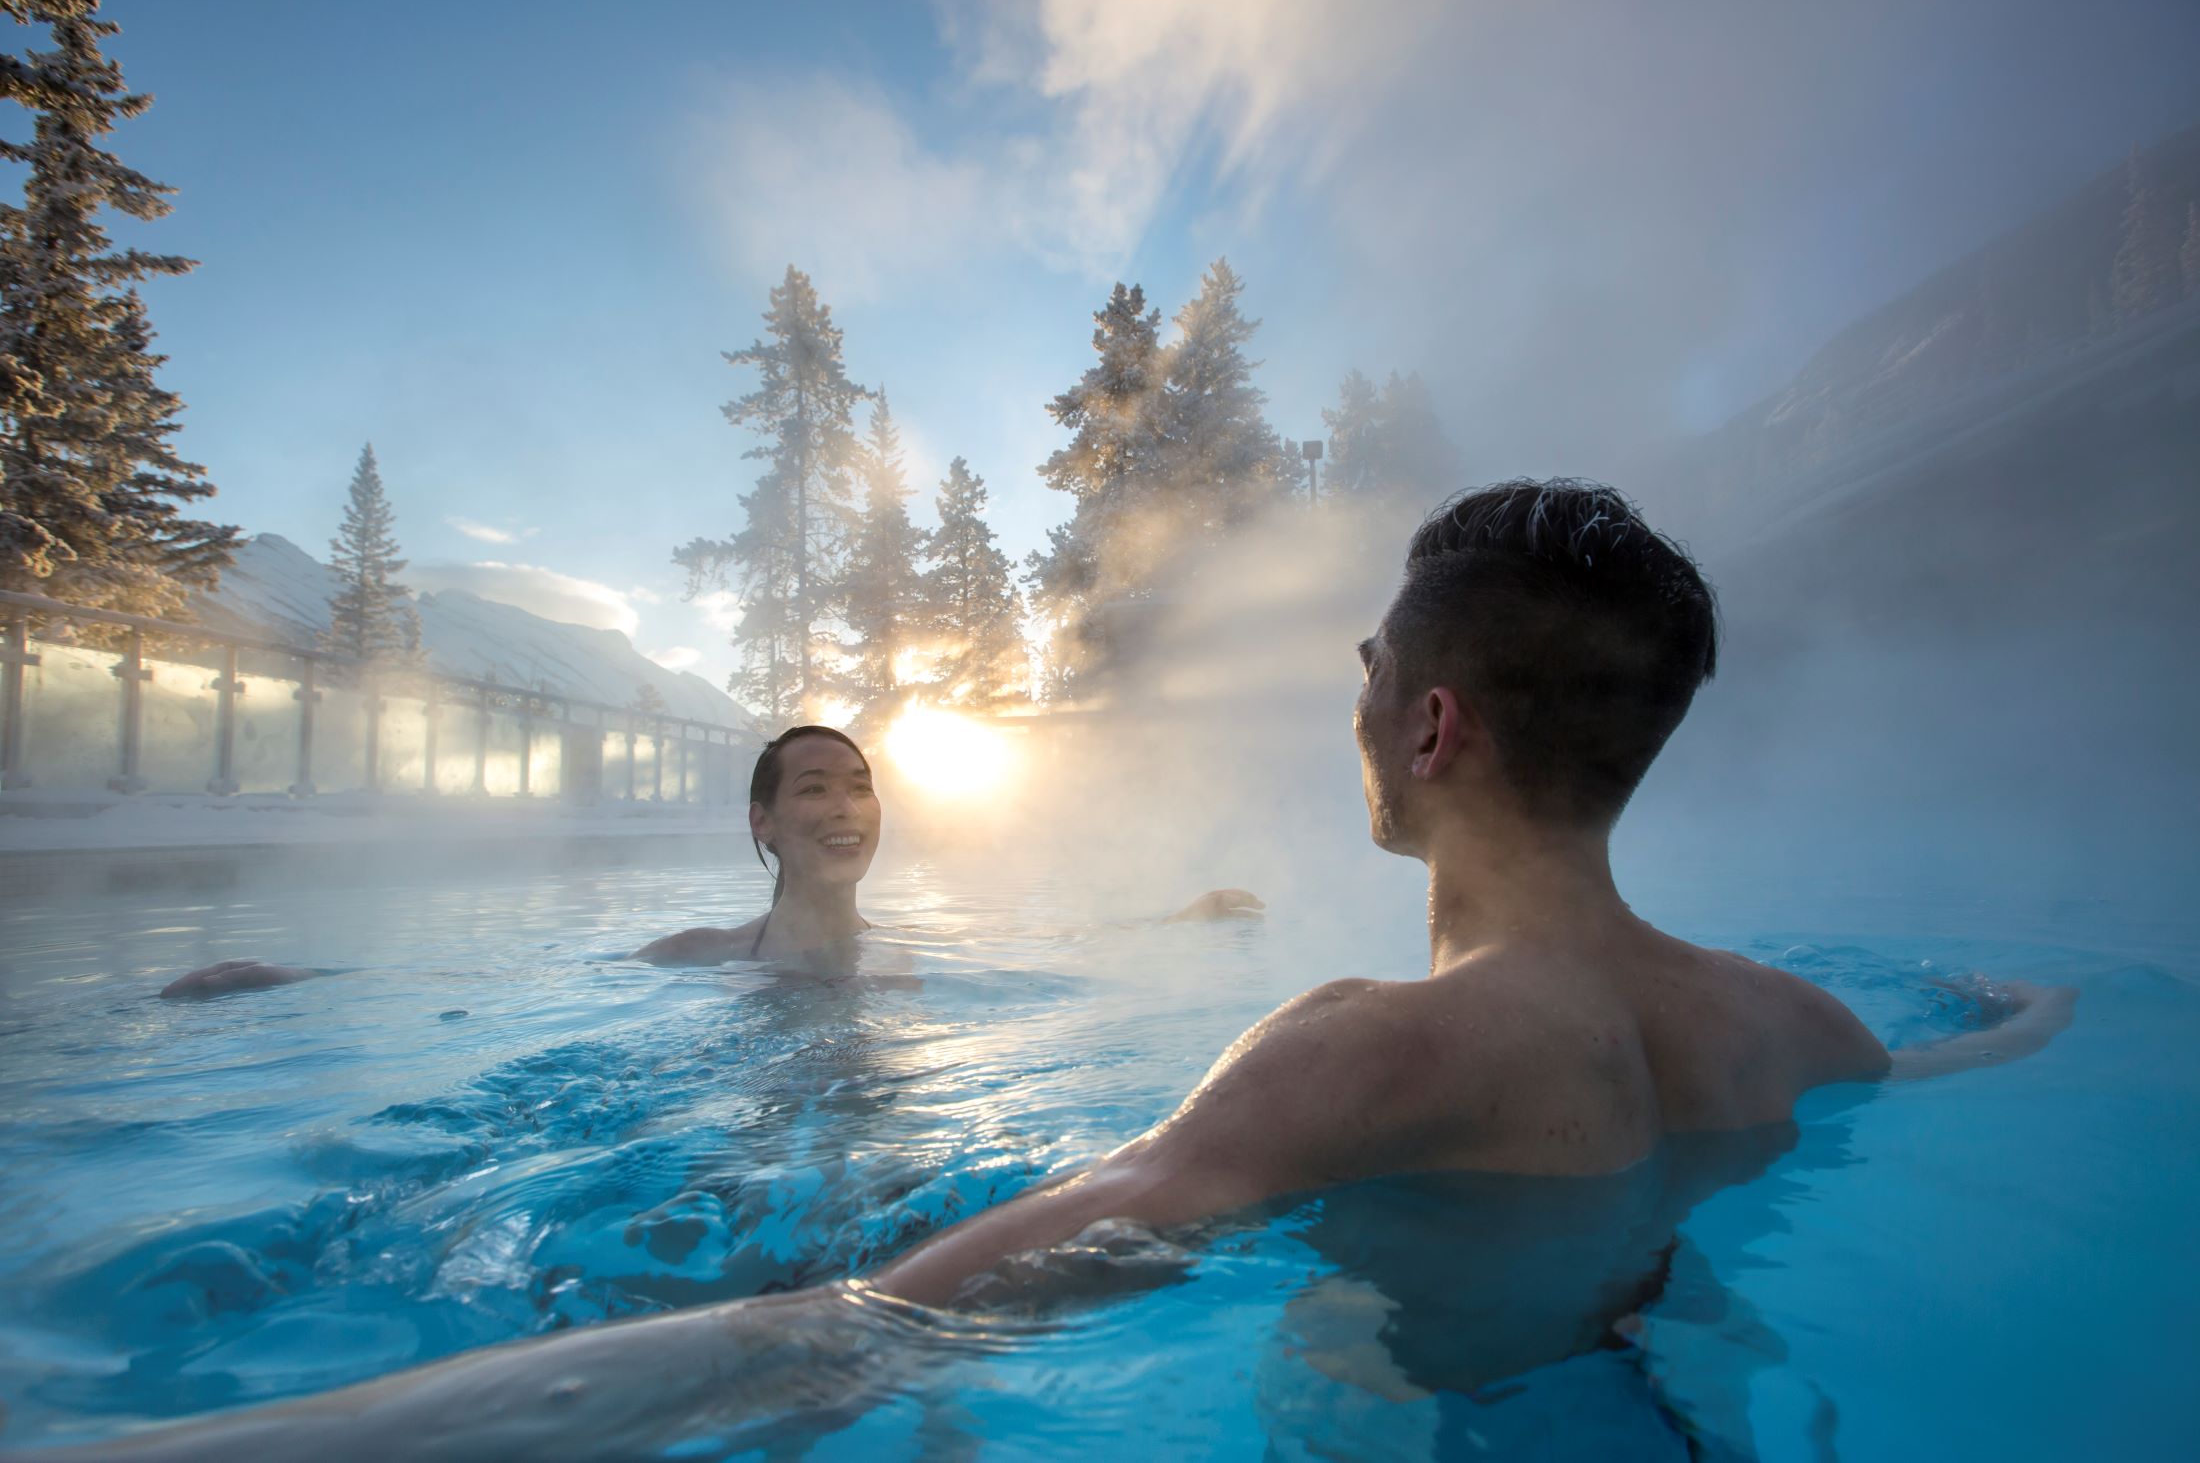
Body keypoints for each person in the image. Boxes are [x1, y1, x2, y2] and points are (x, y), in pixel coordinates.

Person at [80, 480, 2075, 1459]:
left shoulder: (1368, 1054)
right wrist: (2029, 1011)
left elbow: (872, 1322)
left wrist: (208, 1445)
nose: (1352, 714)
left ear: (1430, 725)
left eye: (1365, 678)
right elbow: (1949, 1070)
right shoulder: (1787, 1022)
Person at [155, 724, 1263, 997]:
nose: (845, 806)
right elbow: (519, 982)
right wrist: (296, 977)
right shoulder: (703, 952)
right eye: (813, 788)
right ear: (763, 824)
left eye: (860, 785)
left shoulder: (916, 953)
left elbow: (1052, 943)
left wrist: (1180, 922)